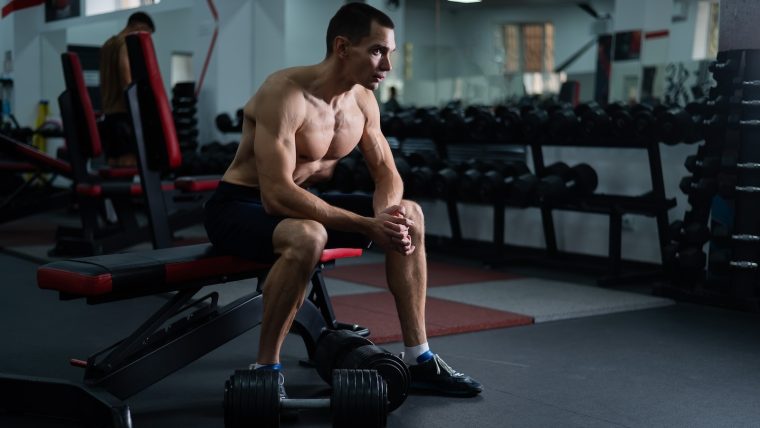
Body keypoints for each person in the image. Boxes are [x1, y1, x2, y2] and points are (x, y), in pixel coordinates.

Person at [204, 2, 482, 398]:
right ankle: (266, 367)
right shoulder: (284, 93)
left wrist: (389, 218)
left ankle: (419, 358)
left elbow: (386, 172)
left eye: (390, 53)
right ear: (341, 47)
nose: (387, 65)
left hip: (303, 204)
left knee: (411, 214)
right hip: (239, 207)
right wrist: (368, 226)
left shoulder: (363, 102)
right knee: (308, 236)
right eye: (376, 51)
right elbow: (277, 195)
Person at [98, 12, 155, 167]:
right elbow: (126, 78)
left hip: (108, 115)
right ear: (139, 27)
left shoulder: (107, 45)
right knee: (128, 163)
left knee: (113, 164)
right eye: (147, 34)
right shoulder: (126, 44)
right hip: (123, 114)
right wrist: (138, 108)